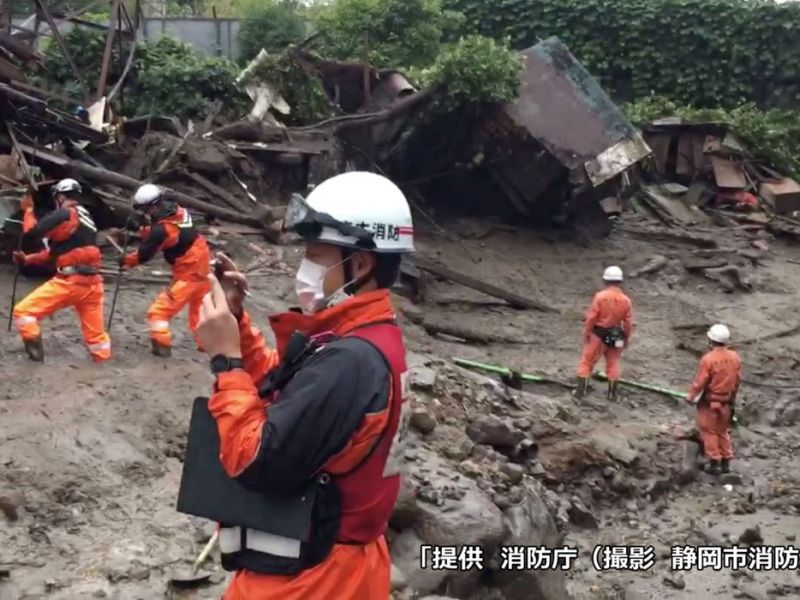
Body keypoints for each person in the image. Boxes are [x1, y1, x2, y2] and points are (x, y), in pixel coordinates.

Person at [194, 171, 413, 600]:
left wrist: (226, 362)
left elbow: (255, 460)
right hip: (333, 564)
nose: (304, 269)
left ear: (361, 264)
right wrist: (238, 326)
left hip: (312, 580)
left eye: (315, 255)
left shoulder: (351, 363)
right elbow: (291, 391)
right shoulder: (362, 340)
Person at [12, 178, 111, 362]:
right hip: (93, 285)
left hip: (69, 282)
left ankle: (36, 358)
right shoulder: (86, 218)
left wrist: (28, 211)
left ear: (60, 196)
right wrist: (28, 259)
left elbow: (32, 233)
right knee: (97, 339)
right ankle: (103, 362)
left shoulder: (65, 213)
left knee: (23, 312)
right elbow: (58, 252)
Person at [121, 184, 210, 357]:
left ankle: (162, 346)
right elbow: (167, 233)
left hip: (188, 275)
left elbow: (144, 255)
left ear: (151, 207)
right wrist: (141, 231)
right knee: (198, 312)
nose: (144, 214)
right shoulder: (179, 211)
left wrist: (124, 261)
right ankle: (208, 345)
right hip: (204, 269)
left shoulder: (161, 229)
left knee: (159, 312)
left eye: (144, 210)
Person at [686, 324, 741, 475]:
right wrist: (732, 398)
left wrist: (691, 396)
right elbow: (737, 380)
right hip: (726, 402)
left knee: (709, 431)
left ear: (710, 339)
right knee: (723, 431)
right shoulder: (734, 357)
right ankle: (726, 462)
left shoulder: (708, 359)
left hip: (710, 402)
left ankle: (714, 463)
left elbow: (700, 381)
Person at [573, 265, 633, 401]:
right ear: (620, 281)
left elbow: (592, 317)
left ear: (605, 280)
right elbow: (628, 323)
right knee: (614, 363)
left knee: (586, 362)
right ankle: (612, 395)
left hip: (598, 334)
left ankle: (580, 392)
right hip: (616, 335)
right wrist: (626, 338)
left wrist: (587, 332)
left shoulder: (600, 297)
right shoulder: (626, 300)